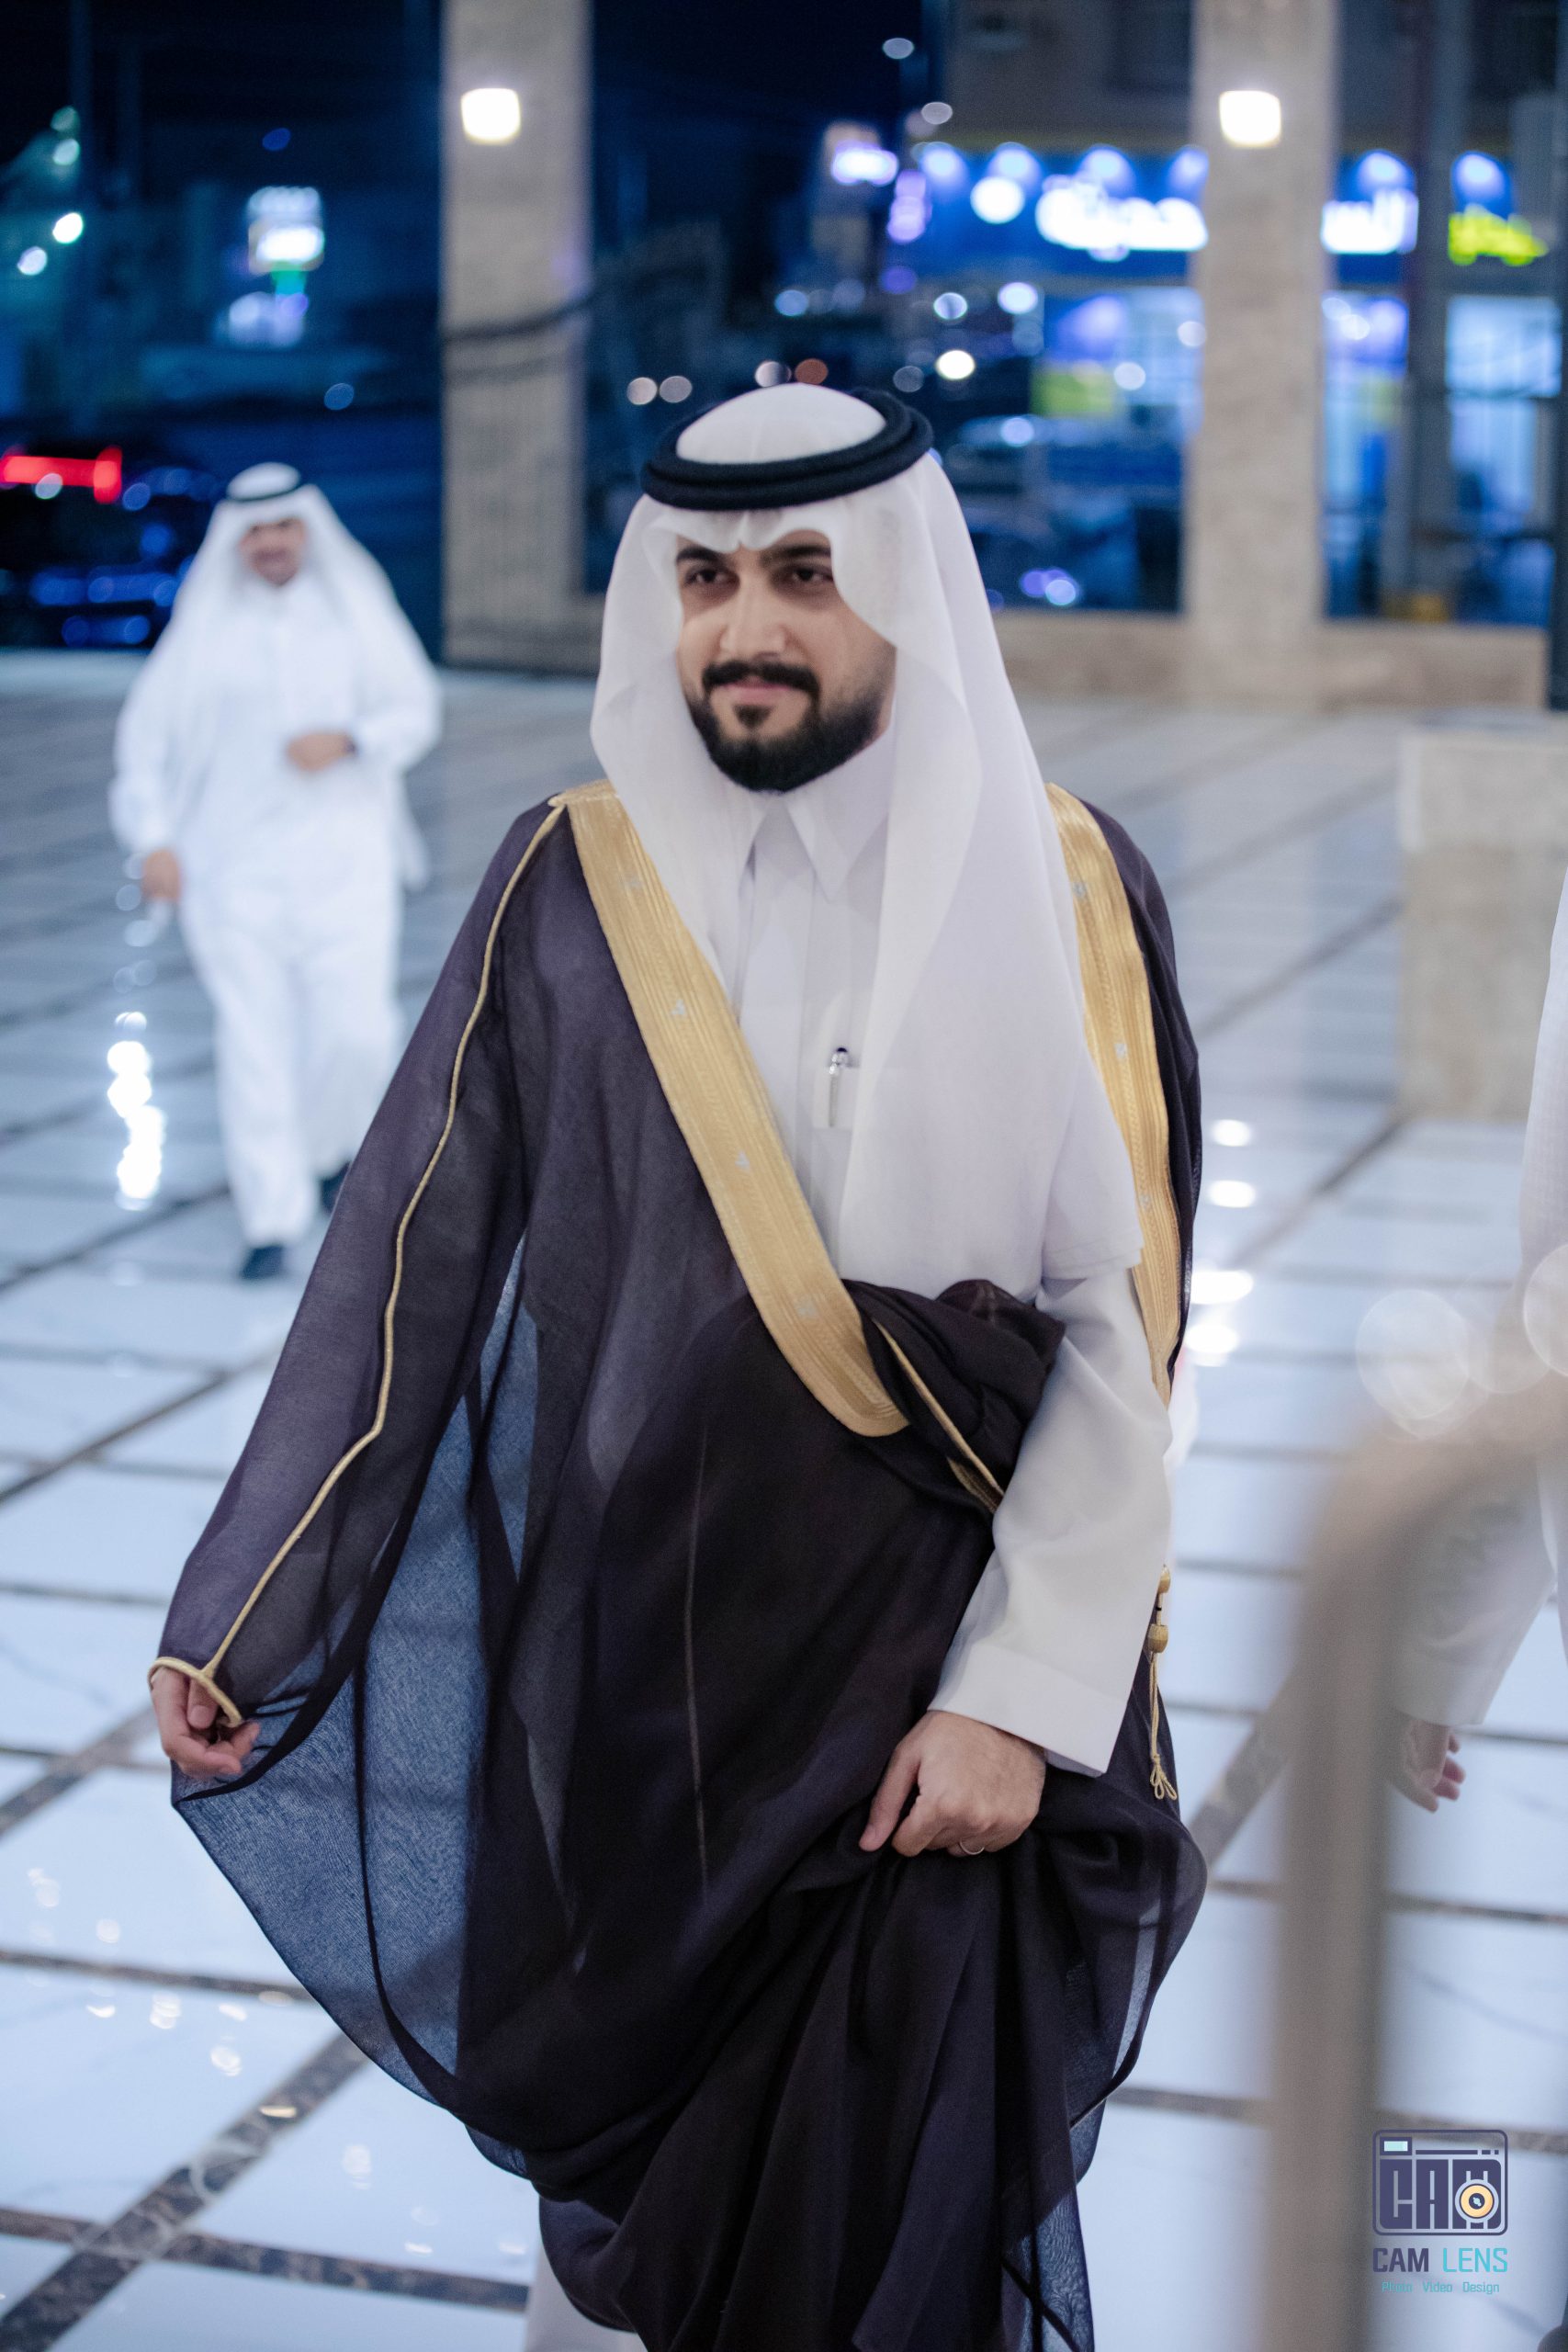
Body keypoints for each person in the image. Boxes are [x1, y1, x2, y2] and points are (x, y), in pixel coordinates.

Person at [147, 388, 1204, 2352]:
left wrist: (1019, 1699)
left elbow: (1117, 1338)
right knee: (623, 2228)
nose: (746, 626)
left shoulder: (1064, 885)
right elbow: (408, 1255)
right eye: (705, 580)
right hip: (642, 1690)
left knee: (871, 2242)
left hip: (926, 1705)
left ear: (903, 589)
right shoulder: (573, 881)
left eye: (805, 574)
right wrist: (254, 1600)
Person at [108, 463, 441, 1281]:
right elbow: (144, 746)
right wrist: (154, 839)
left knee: (357, 1034)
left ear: (307, 530)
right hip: (230, 871)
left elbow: (415, 710)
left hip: (347, 860)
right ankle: (271, 1218)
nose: (270, 543)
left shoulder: (354, 612)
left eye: (283, 526)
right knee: (255, 1041)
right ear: (235, 540)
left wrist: (352, 740)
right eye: (254, 530)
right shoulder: (203, 632)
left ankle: (329, 1151)